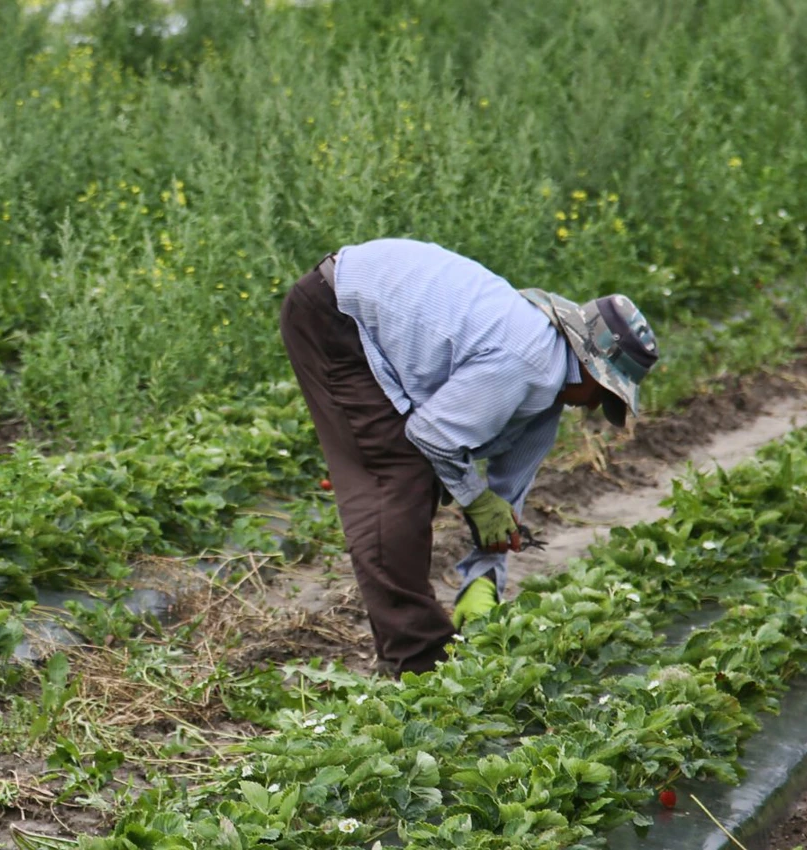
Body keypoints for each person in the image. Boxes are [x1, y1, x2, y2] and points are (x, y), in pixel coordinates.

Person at [280, 239, 660, 675]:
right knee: (394, 477)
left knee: (413, 474)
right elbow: (433, 436)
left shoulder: (547, 395)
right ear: (591, 369)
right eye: (604, 395)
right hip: (335, 314)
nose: (594, 407)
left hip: (359, 312)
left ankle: (411, 653)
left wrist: (485, 575)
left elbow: (507, 499)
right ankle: (418, 662)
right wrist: (476, 500)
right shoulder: (528, 362)